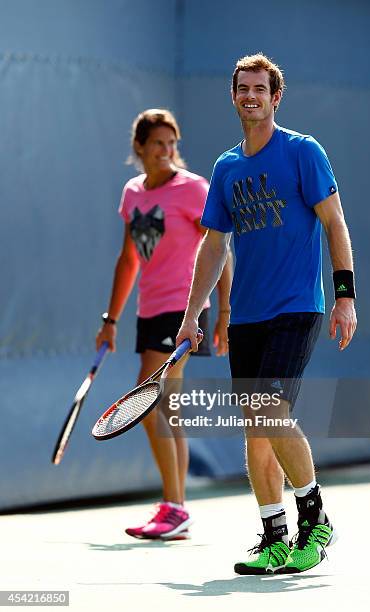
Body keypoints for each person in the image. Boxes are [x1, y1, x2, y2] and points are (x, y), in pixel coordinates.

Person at [176, 54, 357, 573]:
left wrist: (345, 294)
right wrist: (196, 313)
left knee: (270, 410)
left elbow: (335, 223)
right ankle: (276, 537)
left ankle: (315, 519)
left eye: (261, 89)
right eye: (243, 89)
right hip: (247, 317)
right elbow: (214, 245)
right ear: (233, 96)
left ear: (276, 98)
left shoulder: (303, 152)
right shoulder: (227, 167)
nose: (251, 96)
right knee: (256, 424)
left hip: (297, 307)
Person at [96, 108, 232, 541]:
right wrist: (110, 319)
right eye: (158, 143)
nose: (167, 151)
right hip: (148, 310)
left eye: (172, 143)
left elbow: (220, 250)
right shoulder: (132, 193)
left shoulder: (193, 190)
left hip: (184, 308)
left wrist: (223, 313)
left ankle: (175, 507)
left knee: (154, 398)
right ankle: (175, 508)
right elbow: (128, 259)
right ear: (140, 147)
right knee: (165, 406)